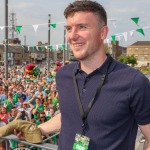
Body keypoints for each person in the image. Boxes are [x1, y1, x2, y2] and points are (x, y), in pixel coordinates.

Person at [15, 1, 150, 150]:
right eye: (69, 28)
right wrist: (38, 129)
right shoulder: (63, 75)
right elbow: (69, 115)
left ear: (103, 32)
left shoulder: (133, 81)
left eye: (82, 27)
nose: (72, 36)